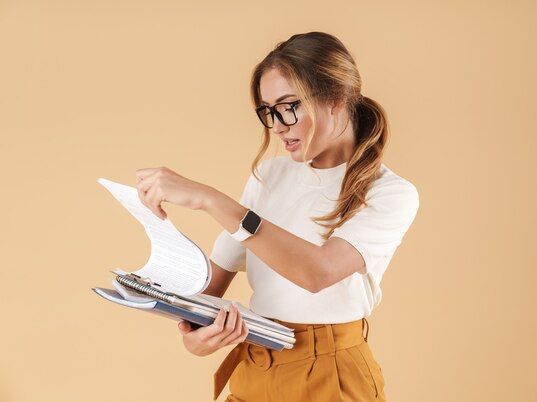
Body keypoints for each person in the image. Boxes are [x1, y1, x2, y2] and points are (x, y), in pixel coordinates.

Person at [135, 31, 419, 402]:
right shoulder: (269, 176)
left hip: (330, 377)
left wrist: (208, 198)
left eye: (288, 106)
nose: (278, 125)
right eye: (268, 111)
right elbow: (207, 291)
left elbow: (317, 273)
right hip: (255, 366)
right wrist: (196, 336)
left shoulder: (390, 193)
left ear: (336, 98)